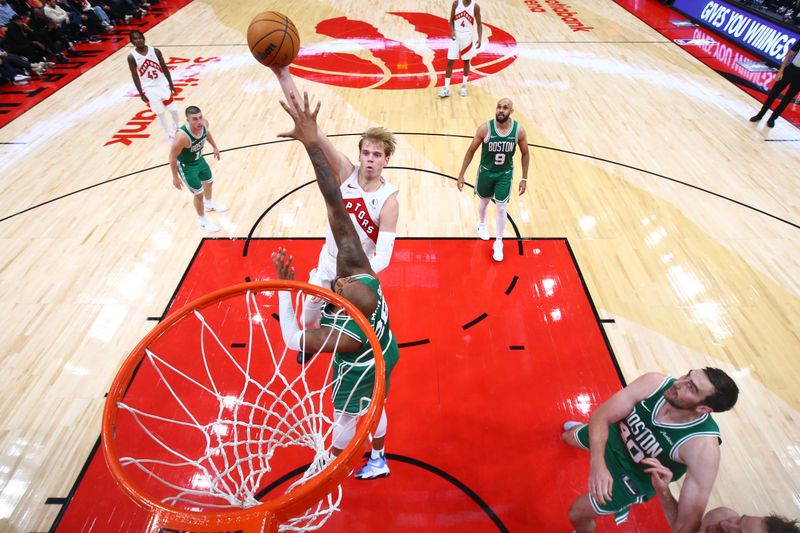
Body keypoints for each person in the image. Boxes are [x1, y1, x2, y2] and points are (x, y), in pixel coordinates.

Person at [271, 91, 400, 480]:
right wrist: (312, 142)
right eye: (367, 153)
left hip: (358, 360)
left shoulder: (345, 335)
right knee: (375, 403)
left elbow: (292, 338)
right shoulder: (364, 279)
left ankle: (331, 464)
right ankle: (378, 456)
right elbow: (332, 197)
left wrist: (282, 285)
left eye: (338, 290)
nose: (336, 286)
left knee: (348, 413)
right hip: (383, 346)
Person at [270, 66, 399, 333]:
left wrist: (351, 279)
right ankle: (307, 344)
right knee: (309, 311)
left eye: (377, 155)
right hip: (328, 260)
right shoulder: (344, 172)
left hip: (357, 271)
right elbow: (313, 132)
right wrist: (283, 76)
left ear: (386, 160)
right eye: (366, 153)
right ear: (360, 155)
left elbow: (384, 257)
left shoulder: (388, 201)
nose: (370, 159)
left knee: (355, 329)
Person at [561, 368, 739, 533]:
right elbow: (601, 415)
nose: (678, 383)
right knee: (568, 437)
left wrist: (663, 492)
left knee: (577, 514)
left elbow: (686, 525)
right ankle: (593, 438)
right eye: (687, 376)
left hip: (632, 478)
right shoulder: (655, 382)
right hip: (616, 435)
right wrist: (598, 464)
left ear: (703, 409)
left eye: (690, 387)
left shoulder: (703, 449)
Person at [456, 97, 529, 261]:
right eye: (498, 107)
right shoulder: (485, 129)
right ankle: (481, 224)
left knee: (502, 208)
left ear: (511, 111)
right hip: (486, 172)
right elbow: (470, 152)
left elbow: (525, 154)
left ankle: (499, 242)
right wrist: (461, 174)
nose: (501, 111)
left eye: (505, 108)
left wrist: (524, 178)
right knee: (483, 202)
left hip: (504, 174)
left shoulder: (518, 131)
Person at [645, 457, 800, 533]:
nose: (725, 524)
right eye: (740, 519)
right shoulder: (720, 517)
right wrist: (663, 489)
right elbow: (683, 529)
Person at [168, 106, 226, 232]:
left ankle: (209, 204)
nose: (199, 121)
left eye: (200, 117)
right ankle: (202, 220)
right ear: (188, 120)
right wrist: (175, 177)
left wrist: (215, 147)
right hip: (186, 166)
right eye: (194, 119)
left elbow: (207, 133)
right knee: (198, 194)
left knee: (209, 181)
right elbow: (172, 156)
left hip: (199, 159)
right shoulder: (182, 137)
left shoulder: (203, 124)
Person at [128, 30, 180, 142]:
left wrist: (171, 84)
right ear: (132, 42)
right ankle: (168, 133)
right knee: (160, 113)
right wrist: (141, 93)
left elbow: (164, 67)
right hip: (149, 89)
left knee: (174, 109)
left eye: (139, 38)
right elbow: (135, 76)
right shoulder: (132, 57)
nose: (138, 40)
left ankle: (176, 125)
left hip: (162, 84)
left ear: (143, 38)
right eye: (135, 39)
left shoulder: (155, 51)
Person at [750, 39, 800, 128]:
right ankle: (760, 114)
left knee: (787, 99)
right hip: (791, 69)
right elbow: (789, 55)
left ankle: (772, 118)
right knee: (773, 94)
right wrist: (781, 71)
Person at [438, 0, 482, 98]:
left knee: (466, 61)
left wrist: (479, 38)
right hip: (456, 36)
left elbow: (479, 24)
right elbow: (451, 20)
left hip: (467, 37)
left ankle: (463, 86)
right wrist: (452, 31)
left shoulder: (475, 6)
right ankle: (446, 88)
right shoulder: (456, 3)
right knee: (450, 61)